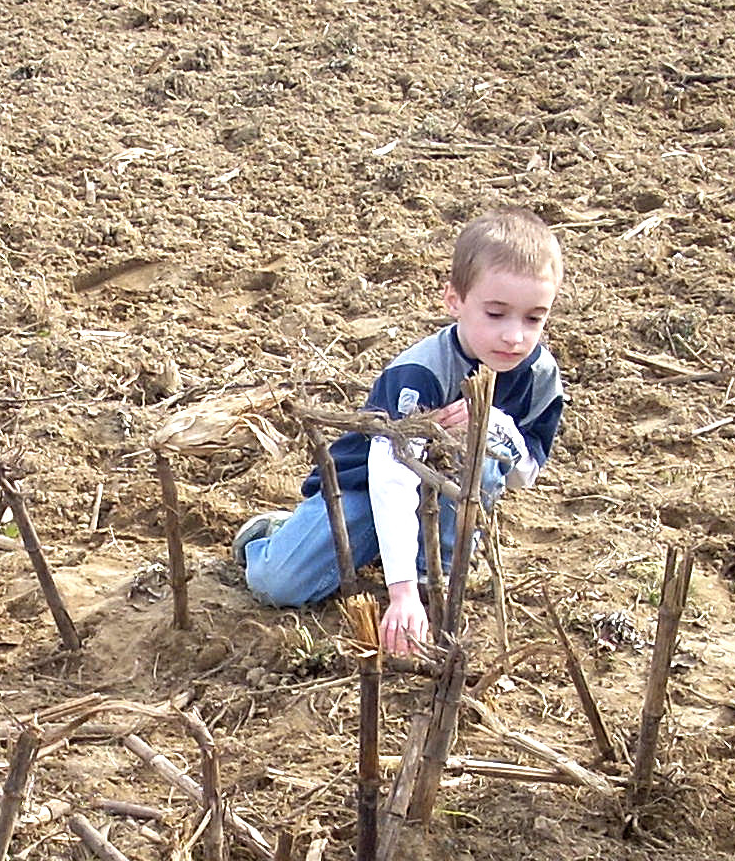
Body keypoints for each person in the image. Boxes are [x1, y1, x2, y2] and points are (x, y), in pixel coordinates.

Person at [235, 207, 565, 656]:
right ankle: (270, 535)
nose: (514, 337)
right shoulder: (419, 374)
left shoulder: (540, 376)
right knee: (278, 586)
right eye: (495, 313)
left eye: (533, 318)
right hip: (367, 489)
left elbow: (524, 474)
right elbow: (391, 480)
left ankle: (441, 573)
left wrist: (495, 426)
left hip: (450, 506)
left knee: (478, 451)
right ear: (454, 301)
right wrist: (400, 592)